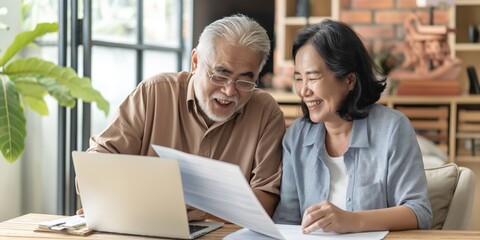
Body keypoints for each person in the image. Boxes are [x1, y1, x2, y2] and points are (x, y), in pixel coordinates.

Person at [82, 14, 285, 220]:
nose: (229, 90)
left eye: (244, 81)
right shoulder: (154, 93)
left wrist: (195, 214)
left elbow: (265, 199)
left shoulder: (265, 112)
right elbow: (98, 162)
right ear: (195, 62)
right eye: (220, 75)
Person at [272, 19, 432, 233]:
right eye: (299, 79)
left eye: (313, 77)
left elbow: (418, 212)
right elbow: (286, 220)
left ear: (349, 80)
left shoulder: (392, 129)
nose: (303, 91)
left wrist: (351, 221)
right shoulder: (296, 137)